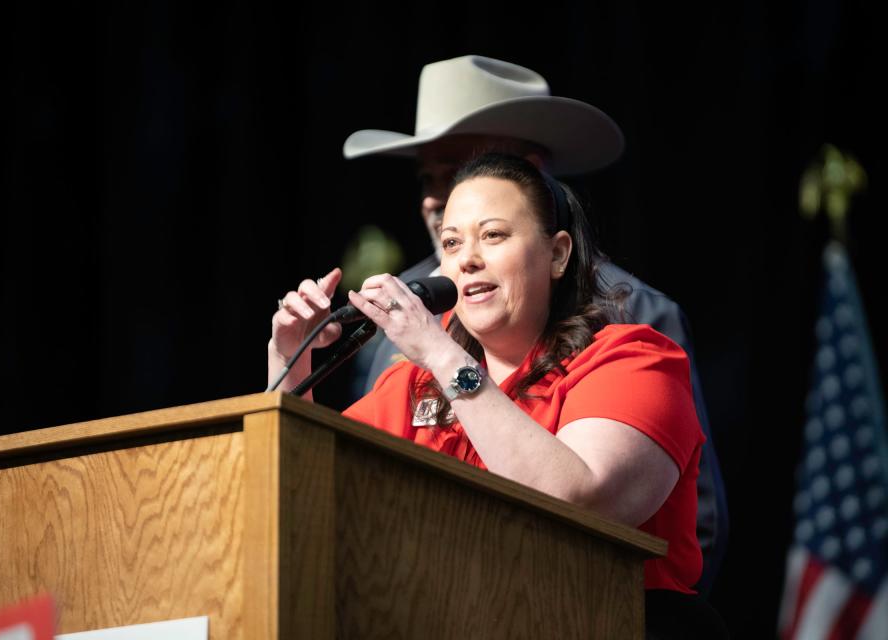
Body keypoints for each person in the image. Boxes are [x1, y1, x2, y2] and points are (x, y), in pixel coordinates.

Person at [268, 153, 728, 637]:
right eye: (451, 242)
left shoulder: (633, 361)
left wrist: (442, 355)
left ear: (557, 254)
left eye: (493, 235)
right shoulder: (411, 387)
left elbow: (577, 504)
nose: (466, 259)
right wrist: (290, 358)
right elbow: (311, 493)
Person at [342, 54, 727, 597]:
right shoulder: (411, 333)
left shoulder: (631, 331)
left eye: (463, 170)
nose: (439, 198)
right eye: (452, 240)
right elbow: (330, 487)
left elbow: (605, 507)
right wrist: (291, 372)